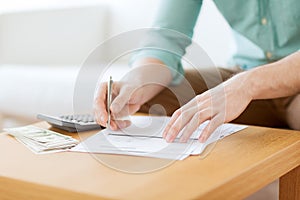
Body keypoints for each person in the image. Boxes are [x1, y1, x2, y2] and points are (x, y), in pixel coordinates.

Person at [94, 0, 300, 143]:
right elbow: (167, 36)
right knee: (144, 100)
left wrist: (248, 85)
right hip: (242, 71)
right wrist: (138, 79)